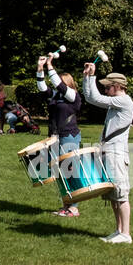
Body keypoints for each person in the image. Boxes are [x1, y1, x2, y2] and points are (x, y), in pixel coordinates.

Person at [82, 64, 133, 244]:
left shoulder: (124, 101)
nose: (105, 89)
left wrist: (92, 76)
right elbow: (90, 97)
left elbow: (94, 98)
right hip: (109, 152)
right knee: (112, 195)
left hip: (117, 153)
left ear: (118, 86)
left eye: (108, 86)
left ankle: (126, 234)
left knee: (121, 194)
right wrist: (86, 77)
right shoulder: (115, 103)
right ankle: (118, 230)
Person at [38, 54, 84, 217]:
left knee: (70, 170)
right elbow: (43, 88)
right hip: (55, 136)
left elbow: (58, 84)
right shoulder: (56, 96)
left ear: (68, 85)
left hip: (69, 136)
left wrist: (50, 65)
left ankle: (74, 207)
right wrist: (40, 68)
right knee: (59, 171)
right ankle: (66, 205)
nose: (58, 86)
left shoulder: (73, 97)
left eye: (62, 84)